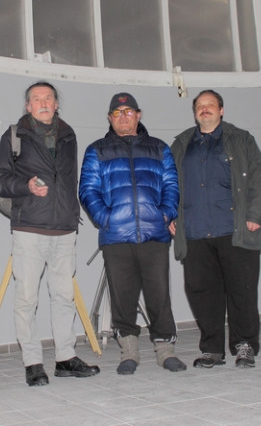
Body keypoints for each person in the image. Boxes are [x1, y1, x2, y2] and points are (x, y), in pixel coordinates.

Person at [0, 81, 100, 387]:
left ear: (56, 103)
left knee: (64, 297)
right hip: (29, 228)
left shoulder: (68, 135)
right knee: (27, 298)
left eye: (48, 98)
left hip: (64, 228)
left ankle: (65, 358)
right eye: (36, 99)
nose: (43, 103)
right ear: (28, 106)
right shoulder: (15, 135)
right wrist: (26, 187)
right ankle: (33, 363)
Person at [79, 92, 186, 375]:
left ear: (138, 115)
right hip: (116, 237)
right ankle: (129, 352)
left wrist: (165, 215)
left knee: (159, 295)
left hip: (154, 234)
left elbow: (171, 186)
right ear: (109, 118)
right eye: (117, 113)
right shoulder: (96, 150)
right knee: (122, 296)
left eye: (128, 112)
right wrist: (106, 218)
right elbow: (87, 190)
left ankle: (166, 351)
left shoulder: (159, 148)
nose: (123, 117)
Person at [169, 89, 261, 369]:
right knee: (202, 293)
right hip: (195, 232)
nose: (204, 109)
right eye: (199, 106)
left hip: (235, 229)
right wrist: (169, 215)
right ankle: (212, 349)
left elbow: (260, 179)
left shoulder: (241, 139)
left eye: (210, 105)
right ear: (194, 112)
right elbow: (169, 184)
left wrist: (255, 215)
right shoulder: (180, 144)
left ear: (221, 110)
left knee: (242, 291)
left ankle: (244, 345)